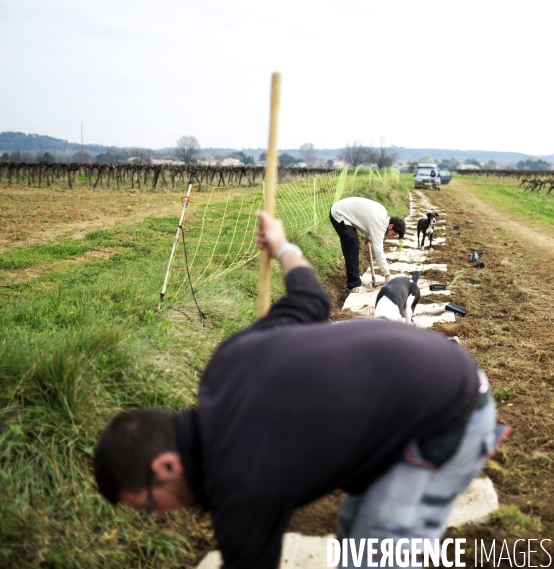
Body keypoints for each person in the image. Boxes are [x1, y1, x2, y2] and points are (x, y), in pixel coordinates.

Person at [94, 212, 506, 569]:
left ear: (165, 466)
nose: (160, 517)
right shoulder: (224, 367)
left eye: (150, 506)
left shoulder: (241, 480)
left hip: (451, 417)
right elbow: (311, 299)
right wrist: (281, 245)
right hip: (425, 379)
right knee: (355, 526)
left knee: (377, 546)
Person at [329, 196, 406, 293]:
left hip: (345, 211)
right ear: (391, 226)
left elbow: (367, 220)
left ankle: (356, 279)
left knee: (353, 243)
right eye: (393, 234)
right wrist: (387, 274)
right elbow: (378, 251)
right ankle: (354, 285)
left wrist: (370, 234)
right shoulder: (378, 224)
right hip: (339, 213)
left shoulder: (383, 215)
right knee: (352, 245)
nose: (391, 237)